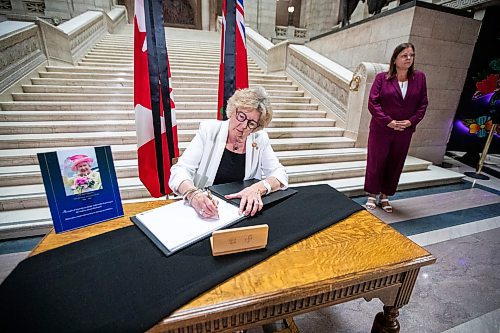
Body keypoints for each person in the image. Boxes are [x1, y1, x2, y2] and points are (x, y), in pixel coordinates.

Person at [169, 86, 288, 218]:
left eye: (251, 123)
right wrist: (193, 194)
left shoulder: (259, 139)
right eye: (241, 116)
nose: (243, 126)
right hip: (207, 208)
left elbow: (280, 174)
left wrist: (258, 188)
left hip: (242, 211)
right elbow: (180, 170)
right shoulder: (209, 131)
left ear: (257, 127)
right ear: (232, 111)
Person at [364, 42, 428, 212]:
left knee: (395, 163)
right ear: (395, 59)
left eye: (411, 55)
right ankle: (372, 193)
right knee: (377, 161)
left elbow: (423, 104)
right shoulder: (381, 78)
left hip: (404, 131)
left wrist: (411, 121)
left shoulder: (419, 78)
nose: (409, 59)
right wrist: (388, 121)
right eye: (404, 55)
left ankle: (385, 196)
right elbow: (373, 102)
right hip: (382, 129)